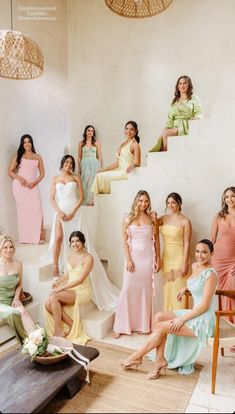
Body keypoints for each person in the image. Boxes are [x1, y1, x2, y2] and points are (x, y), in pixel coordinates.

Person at [120, 239, 217, 379]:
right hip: (194, 313)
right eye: (197, 251)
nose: (199, 255)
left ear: (212, 253)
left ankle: (136, 356)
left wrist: (182, 319)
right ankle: (160, 360)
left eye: (204, 252)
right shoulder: (196, 266)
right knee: (159, 317)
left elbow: (204, 305)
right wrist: (186, 288)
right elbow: (196, 283)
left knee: (161, 327)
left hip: (203, 320)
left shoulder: (211, 274)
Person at [41, 155, 120, 311]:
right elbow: (51, 198)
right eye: (66, 162)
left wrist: (73, 212)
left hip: (74, 212)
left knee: (77, 242)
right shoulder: (55, 178)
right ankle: (56, 266)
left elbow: (82, 197)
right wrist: (59, 212)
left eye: (71, 163)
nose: (69, 165)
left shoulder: (76, 177)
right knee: (58, 238)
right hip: (61, 211)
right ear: (62, 163)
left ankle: (77, 265)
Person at [113, 190, 161, 339]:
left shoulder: (152, 217)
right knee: (127, 289)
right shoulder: (127, 217)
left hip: (147, 259)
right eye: (141, 201)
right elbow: (124, 241)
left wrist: (158, 258)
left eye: (146, 201)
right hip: (133, 258)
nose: (143, 204)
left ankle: (143, 325)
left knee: (144, 291)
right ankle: (121, 326)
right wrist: (128, 259)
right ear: (136, 201)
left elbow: (157, 240)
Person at [44, 231, 93, 344]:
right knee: (47, 304)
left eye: (77, 241)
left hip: (82, 290)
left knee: (54, 297)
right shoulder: (71, 255)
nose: (75, 244)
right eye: (72, 241)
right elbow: (69, 274)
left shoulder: (88, 258)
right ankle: (71, 323)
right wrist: (58, 282)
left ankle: (58, 330)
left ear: (83, 242)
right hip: (71, 288)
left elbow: (80, 279)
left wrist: (62, 288)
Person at [149, 75, 203, 152]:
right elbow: (170, 118)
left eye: (184, 83)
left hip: (186, 125)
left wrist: (196, 117)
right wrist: (165, 130)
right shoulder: (174, 101)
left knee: (166, 134)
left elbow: (199, 112)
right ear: (177, 86)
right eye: (180, 83)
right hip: (174, 126)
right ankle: (163, 151)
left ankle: (166, 153)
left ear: (189, 85)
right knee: (161, 139)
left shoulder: (194, 98)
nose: (182, 85)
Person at [210, 186, 235, 352]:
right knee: (221, 295)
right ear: (223, 199)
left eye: (233, 196)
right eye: (227, 197)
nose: (230, 199)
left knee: (232, 293)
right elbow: (211, 239)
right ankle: (227, 334)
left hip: (233, 261)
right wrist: (206, 261)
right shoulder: (218, 216)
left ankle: (234, 334)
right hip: (218, 260)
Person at [8, 134, 45, 244]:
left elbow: (42, 173)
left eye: (28, 142)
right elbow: (10, 171)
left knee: (37, 209)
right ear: (22, 144)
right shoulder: (18, 156)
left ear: (32, 143)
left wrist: (34, 183)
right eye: (24, 142)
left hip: (32, 186)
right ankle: (25, 238)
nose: (27, 144)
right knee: (23, 212)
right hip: (20, 187)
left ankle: (36, 238)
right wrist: (20, 179)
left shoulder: (38, 157)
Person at [158, 192, 192, 310]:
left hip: (179, 258)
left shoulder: (185, 221)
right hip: (166, 258)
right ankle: (169, 317)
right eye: (168, 203)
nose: (171, 205)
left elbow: (187, 243)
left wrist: (185, 263)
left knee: (179, 287)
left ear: (179, 203)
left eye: (173, 202)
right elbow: (150, 224)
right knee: (168, 288)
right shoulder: (164, 218)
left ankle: (180, 319)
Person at [0, 235, 35, 344]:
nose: (9, 250)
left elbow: (19, 284)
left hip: (12, 299)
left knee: (24, 312)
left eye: (11, 247)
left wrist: (16, 298)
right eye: (5, 247)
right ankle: (27, 342)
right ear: (0, 249)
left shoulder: (18, 264)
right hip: (1, 302)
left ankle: (38, 339)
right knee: (13, 313)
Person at [91, 121, 141, 195]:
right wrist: (104, 169)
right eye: (126, 129)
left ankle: (98, 199)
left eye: (131, 129)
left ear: (136, 131)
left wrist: (132, 166)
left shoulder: (135, 145)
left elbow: (138, 162)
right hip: (119, 170)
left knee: (100, 177)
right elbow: (118, 163)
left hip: (126, 173)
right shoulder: (124, 143)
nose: (128, 131)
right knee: (99, 174)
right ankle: (99, 200)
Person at [78, 125, 102, 206]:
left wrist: (100, 168)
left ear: (93, 133)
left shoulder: (96, 143)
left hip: (94, 165)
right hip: (84, 164)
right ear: (85, 132)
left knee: (92, 182)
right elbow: (79, 157)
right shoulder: (81, 143)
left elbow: (99, 156)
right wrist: (79, 168)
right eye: (88, 130)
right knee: (85, 181)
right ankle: (85, 201)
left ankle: (92, 202)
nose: (90, 132)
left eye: (92, 131)